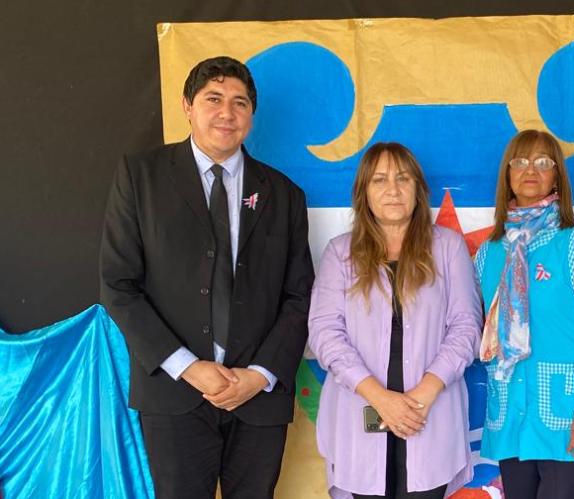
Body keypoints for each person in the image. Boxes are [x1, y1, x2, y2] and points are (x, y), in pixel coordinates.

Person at [99, 56, 314, 498]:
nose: (226, 113)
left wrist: (259, 375)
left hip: (259, 396)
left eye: (239, 103)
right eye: (213, 99)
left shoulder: (285, 194)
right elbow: (119, 285)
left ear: (251, 116)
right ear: (187, 106)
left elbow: (299, 295)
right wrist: (189, 367)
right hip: (174, 392)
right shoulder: (141, 178)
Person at [308, 143, 481, 499]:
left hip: (429, 416)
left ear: (418, 189)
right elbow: (326, 334)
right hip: (361, 416)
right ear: (363, 193)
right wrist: (380, 399)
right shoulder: (340, 253)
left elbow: (466, 327)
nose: (393, 189)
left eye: (403, 178)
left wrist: (421, 395)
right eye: (379, 180)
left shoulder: (447, 247)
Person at [474, 130, 574, 499]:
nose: (530, 170)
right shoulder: (488, 253)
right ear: (507, 174)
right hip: (511, 415)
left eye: (543, 162)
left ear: (557, 176)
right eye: (520, 162)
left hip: (566, 414)